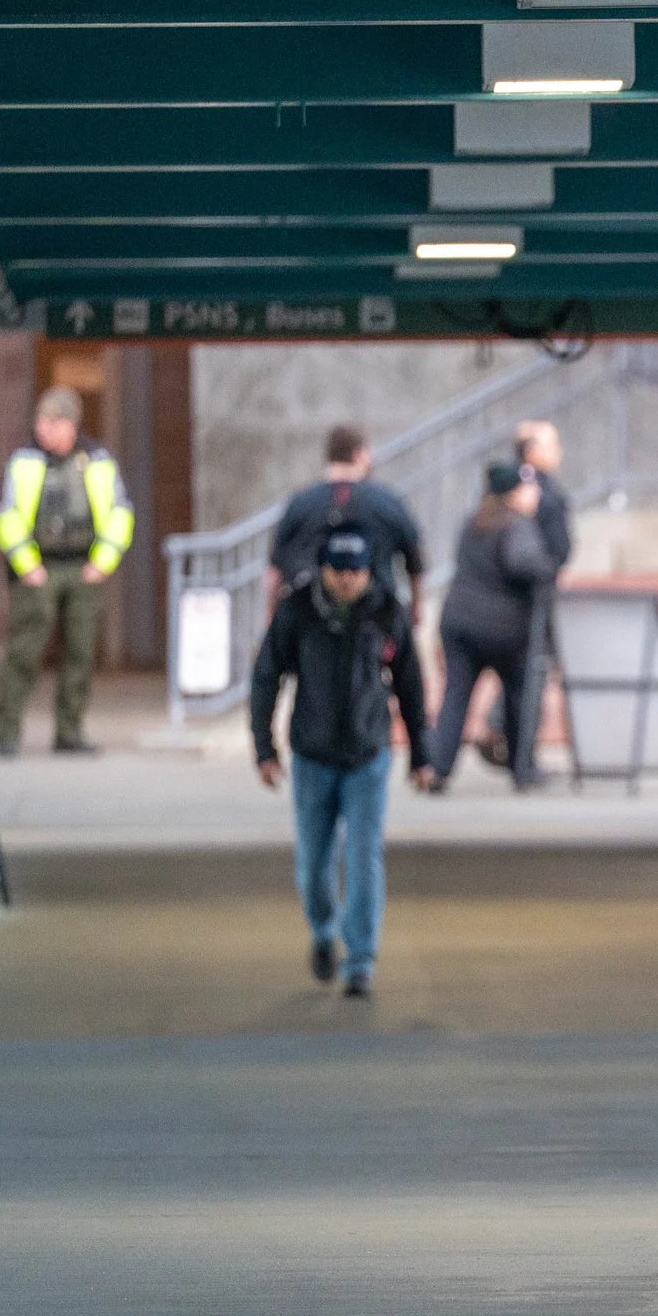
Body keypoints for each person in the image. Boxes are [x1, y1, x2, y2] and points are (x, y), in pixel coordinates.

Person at [249, 529, 431, 999]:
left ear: (369, 571)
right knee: (313, 863)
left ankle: (360, 960)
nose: (347, 582)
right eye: (338, 572)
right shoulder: (298, 612)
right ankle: (323, 930)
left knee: (363, 856)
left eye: (356, 573)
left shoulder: (386, 612)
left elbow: (410, 684)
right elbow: (267, 678)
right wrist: (264, 750)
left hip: (368, 755)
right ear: (323, 571)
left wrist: (421, 754)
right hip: (312, 756)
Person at [0, 385, 132, 757]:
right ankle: (8, 730)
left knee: (80, 652)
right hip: (38, 568)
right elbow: (7, 515)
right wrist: (26, 563)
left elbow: (120, 512)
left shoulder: (98, 459)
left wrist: (103, 561)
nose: (44, 430)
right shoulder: (24, 460)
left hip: (84, 566)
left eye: (53, 423)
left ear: (71, 425)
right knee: (25, 650)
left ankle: (69, 731)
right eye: (41, 422)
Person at [428, 462, 557, 790]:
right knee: (519, 696)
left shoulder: (473, 522)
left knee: (456, 696)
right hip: (503, 628)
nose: (534, 493)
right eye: (527, 488)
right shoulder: (516, 525)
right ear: (513, 492)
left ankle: (438, 769)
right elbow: (522, 562)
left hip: (459, 621)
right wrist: (546, 570)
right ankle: (522, 769)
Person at [487, 419, 572, 781]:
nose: (559, 452)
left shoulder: (531, 488)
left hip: (531, 593)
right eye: (551, 445)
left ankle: (502, 731)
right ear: (532, 451)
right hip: (529, 597)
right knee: (531, 672)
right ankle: (518, 750)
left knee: (529, 672)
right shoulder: (529, 490)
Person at [269, 424, 424, 595]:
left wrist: (271, 617)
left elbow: (274, 572)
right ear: (358, 454)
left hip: (308, 614)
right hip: (376, 615)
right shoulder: (388, 502)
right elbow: (415, 562)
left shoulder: (299, 503)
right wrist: (416, 612)